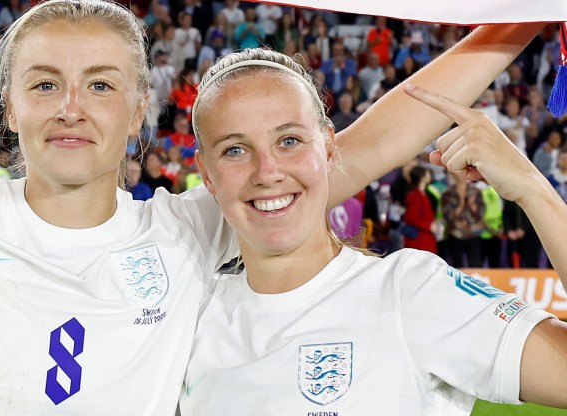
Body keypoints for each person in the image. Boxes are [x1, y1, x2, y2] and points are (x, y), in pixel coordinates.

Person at [0, 1, 550, 413]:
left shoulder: (187, 229)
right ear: (5, 105)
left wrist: (524, 16)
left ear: (140, 107)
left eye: (102, 84)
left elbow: (363, 147)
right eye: (44, 83)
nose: (72, 107)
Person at [182, 48, 567, 415]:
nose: (267, 172)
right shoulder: (187, 319)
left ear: (329, 149)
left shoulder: (409, 293)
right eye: (235, 149)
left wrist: (533, 189)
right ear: (207, 174)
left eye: (289, 140)